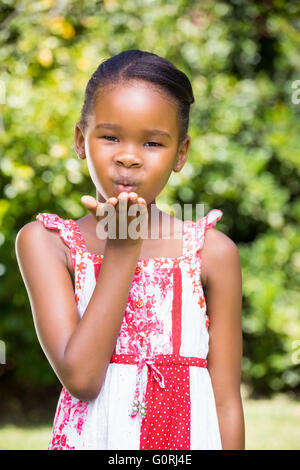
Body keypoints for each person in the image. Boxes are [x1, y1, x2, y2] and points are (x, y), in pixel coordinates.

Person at [15, 49, 244, 450]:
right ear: (80, 140)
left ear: (181, 154)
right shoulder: (48, 244)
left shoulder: (212, 253)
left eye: (153, 143)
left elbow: (226, 401)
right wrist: (123, 248)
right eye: (110, 136)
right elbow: (83, 379)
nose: (128, 156)